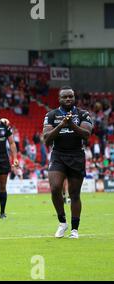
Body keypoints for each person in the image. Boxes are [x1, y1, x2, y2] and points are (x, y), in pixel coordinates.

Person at [43, 86, 92, 239]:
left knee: (74, 194)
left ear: (74, 97)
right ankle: (62, 222)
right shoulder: (51, 115)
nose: (68, 99)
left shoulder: (83, 114)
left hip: (77, 155)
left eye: (71, 96)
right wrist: (61, 125)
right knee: (55, 188)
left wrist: (71, 125)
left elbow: (87, 135)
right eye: (65, 97)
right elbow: (47, 138)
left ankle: (75, 230)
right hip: (58, 155)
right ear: (59, 99)